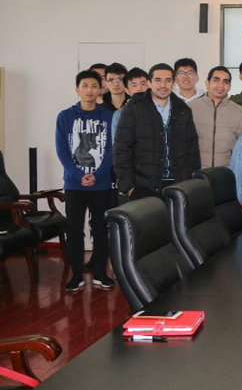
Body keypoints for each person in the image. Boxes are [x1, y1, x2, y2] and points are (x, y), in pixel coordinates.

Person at [55, 70, 116, 292]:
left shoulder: (108, 116)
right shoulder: (65, 116)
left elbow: (112, 150)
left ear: (100, 90)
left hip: (102, 184)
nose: (90, 90)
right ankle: (76, 276)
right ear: (77, 89)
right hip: (74, 185)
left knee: (100, 229)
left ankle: (101, 274)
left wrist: (97, 175)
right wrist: (79, 175)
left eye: (94, 86)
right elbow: (62, 150)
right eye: (85, 86)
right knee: (74, 230)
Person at [113, 63, 201, 199]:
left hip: (179, 185)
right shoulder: (134, 109)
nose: (163, 85)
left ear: (174, 83)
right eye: (158, 80)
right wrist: (129, 188)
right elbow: (121, 150)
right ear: (149, 83)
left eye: (168, 80)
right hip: (143, 186)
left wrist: (192, 182)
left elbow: (192, 149)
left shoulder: (183, 110)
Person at [189, 66, 242, 168]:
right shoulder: (191, 108)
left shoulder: (240, 113)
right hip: (196, 172)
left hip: (227, 172)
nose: (221, 85)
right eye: (216, 80)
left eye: (225, 82)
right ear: (207, 83)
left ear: (229, 86)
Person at [111, 67, 149, 140]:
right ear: (127, 90)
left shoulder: (158, 110)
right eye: (134, 85)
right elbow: (117, 143)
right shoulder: (119, 115)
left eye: (143, 84)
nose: (139, 89)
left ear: (150, 85)